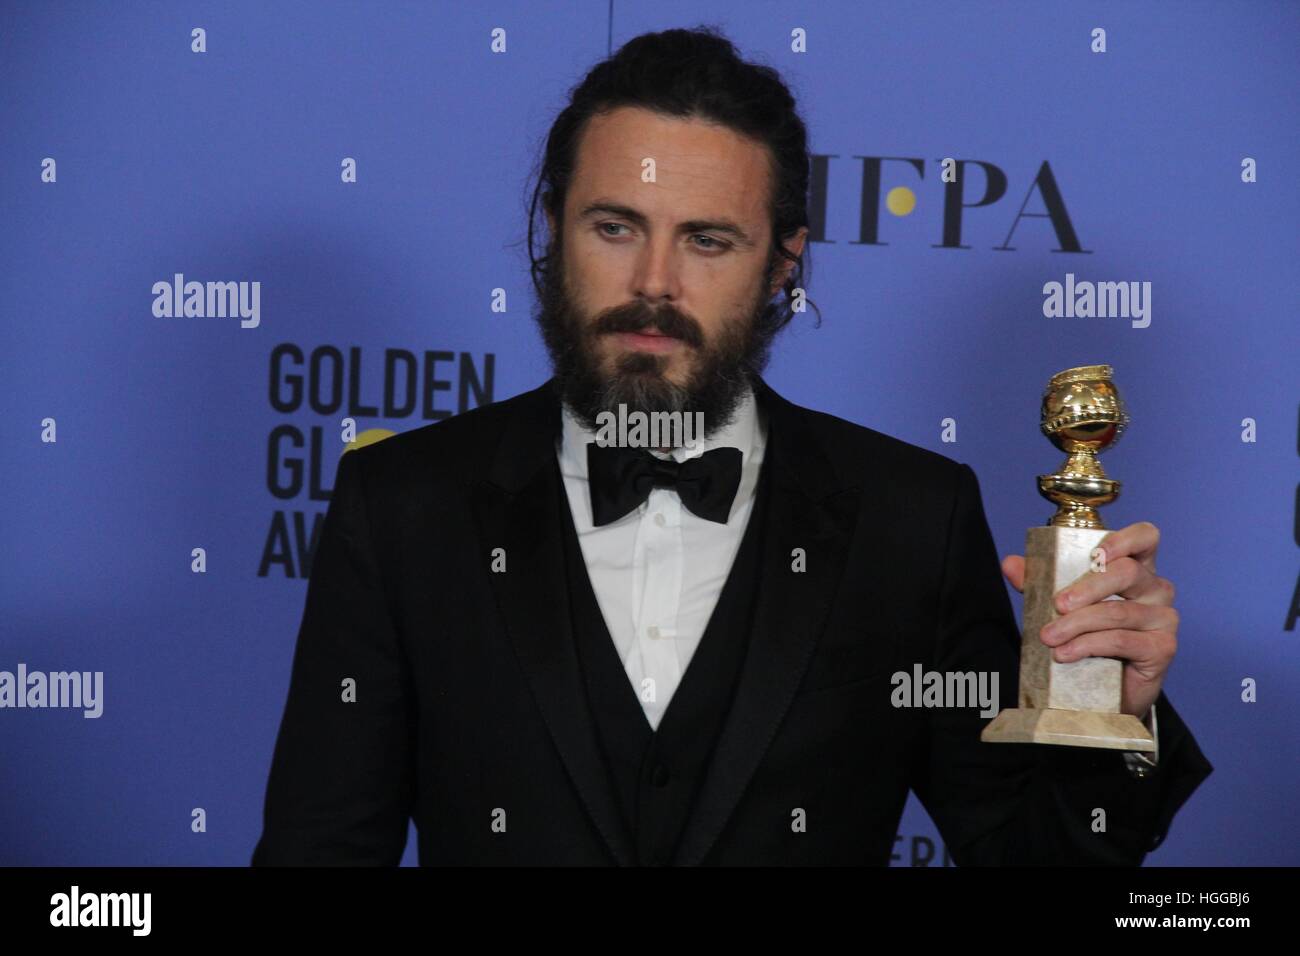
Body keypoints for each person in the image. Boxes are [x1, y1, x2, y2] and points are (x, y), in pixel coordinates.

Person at [251, 27, 1211, 866]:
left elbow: (1027, 857)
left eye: (708, 240)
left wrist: (1114, 715)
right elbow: (320, 849)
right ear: (552, 229)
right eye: (616, 226)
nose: (654, 283)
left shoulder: (911, 520)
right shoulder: (404, 505)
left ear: (783, 262)